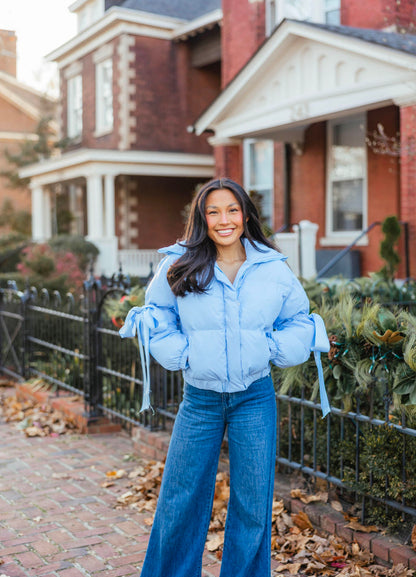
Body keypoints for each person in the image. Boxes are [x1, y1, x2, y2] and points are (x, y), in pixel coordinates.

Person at [120, 177, 330, 577]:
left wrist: (269, 349)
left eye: (232, 209)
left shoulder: (272, 267)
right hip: (200, 399)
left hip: (255, 396)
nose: (224, 219)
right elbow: (157, 316)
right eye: (213, 211)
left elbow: (298, 320)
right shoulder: (179, 263)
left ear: (246, 214)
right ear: (202, 217)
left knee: (253, 504)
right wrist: (184, 355)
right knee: (181, 498)